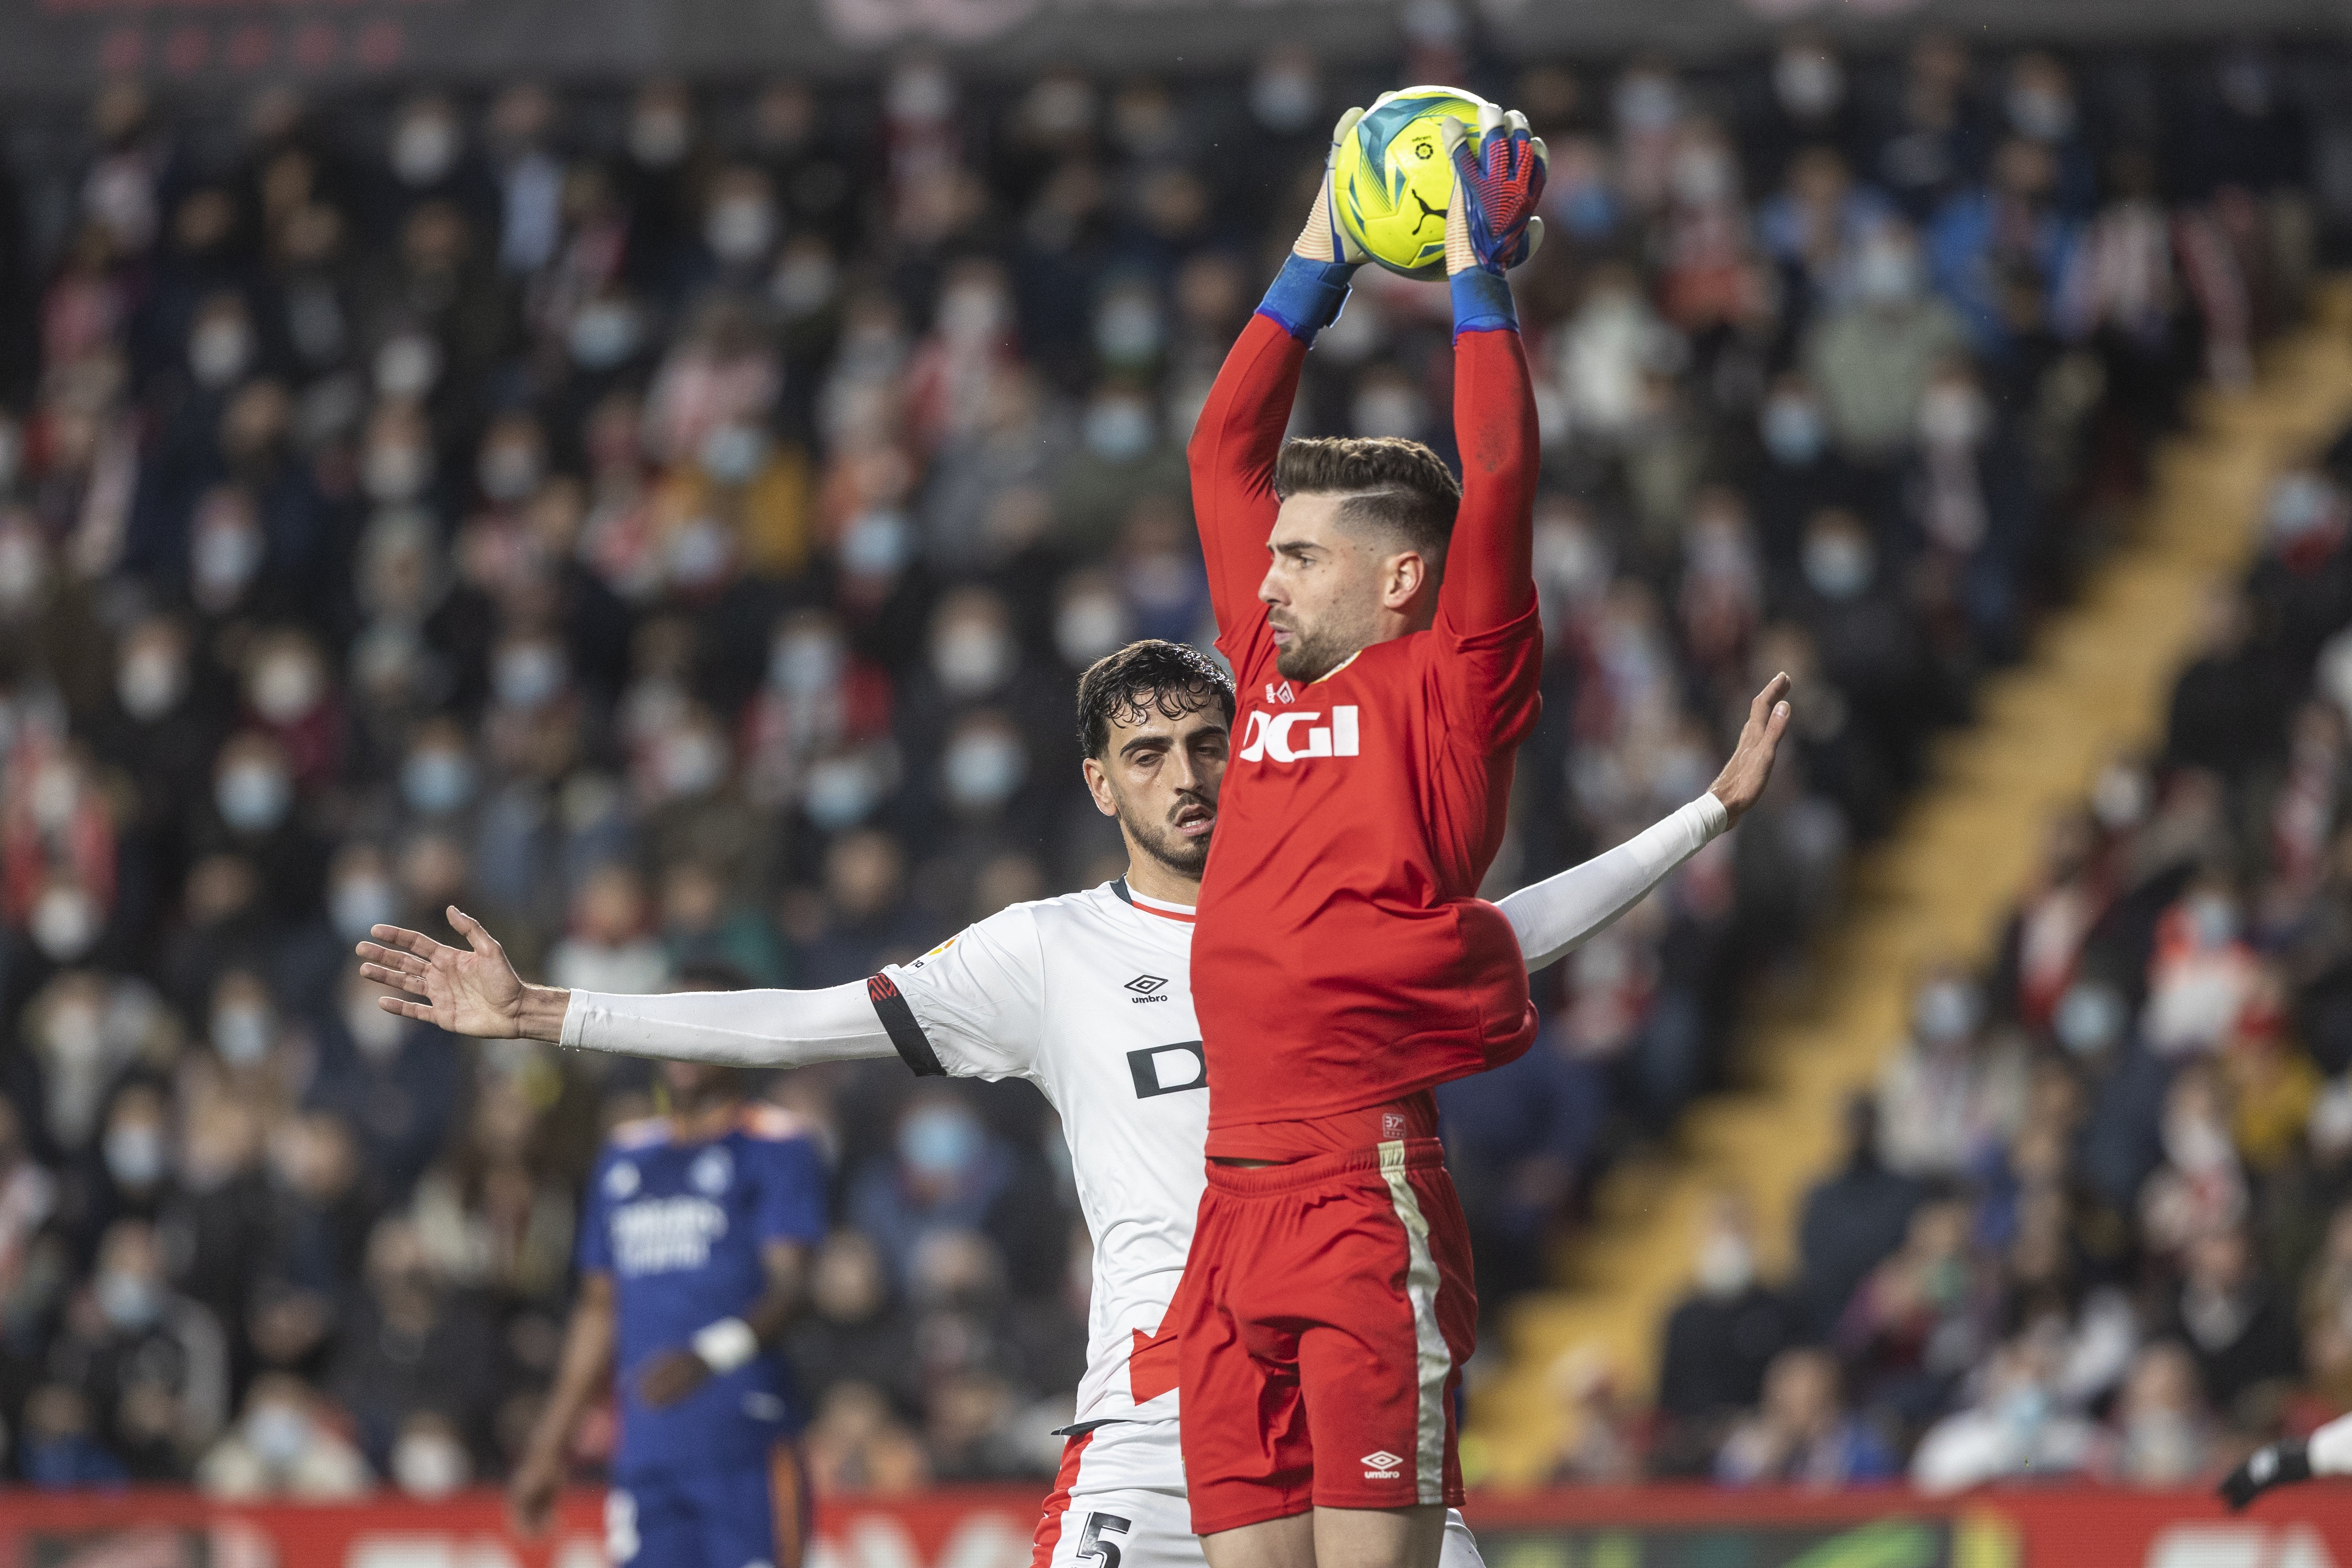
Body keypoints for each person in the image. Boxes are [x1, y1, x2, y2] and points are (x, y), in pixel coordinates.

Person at [359, 638, 1790, 1568]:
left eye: (1208, 745)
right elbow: (801, 1024)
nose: (1189, 778)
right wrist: (549, 1011)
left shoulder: (1337, 914)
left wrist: (1706, 815)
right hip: (1159, 1423)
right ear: (1101, 782)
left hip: (1358, 1406)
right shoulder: (1043, 953)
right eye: (1151, 756)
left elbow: (1515, 926)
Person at [1170, 98, 1784, 1568]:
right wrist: (1323, 231)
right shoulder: (1263, 671)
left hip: (1355, 1191)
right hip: (1228, 1194)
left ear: (1398, 581)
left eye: (1300, 558)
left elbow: (1499, 472)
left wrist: (1470, 272)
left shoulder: (1455, 678)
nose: (1264, 583)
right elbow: (1219, 448)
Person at [502, 961, 828, 1568]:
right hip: (647, 1453)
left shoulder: (777, 1145)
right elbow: (598, 1311)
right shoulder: (625, 1157)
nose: (680, 1036)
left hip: (745, 1444)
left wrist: (712, 1354)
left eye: (701, 1021)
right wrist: (550, 1446)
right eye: (669, 1020)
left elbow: (793, 1288)